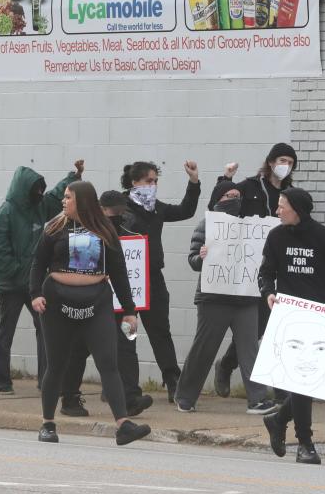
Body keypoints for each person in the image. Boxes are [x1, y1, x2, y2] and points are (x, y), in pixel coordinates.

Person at [30, 181, 151, 446]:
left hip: (96, 302)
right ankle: (47, 423)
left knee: (108, 361)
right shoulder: (54, 227)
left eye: (68, 197)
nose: (64, 201)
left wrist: (129, 311)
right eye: (63, 197)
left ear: (82, 201)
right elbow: (38, 263)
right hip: (57, 303)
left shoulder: (104, 229)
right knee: (57, 364)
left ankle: (123, 425)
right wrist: (35, 294)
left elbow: (118, 271)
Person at [258, 187, 325, 465]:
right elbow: (265, 272)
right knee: (302, 382)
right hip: (288, 317)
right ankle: (305, 443)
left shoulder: (324, 236)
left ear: (298, 209)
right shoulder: (276, 236)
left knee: (312, 383)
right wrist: (268, 292)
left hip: (318, 317)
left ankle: (278, 419)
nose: (277, 211)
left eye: (282, 206)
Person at [174, 181, 275, 415]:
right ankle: (185, 396)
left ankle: (258, 399)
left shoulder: (249, 227)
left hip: (245, 298)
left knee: (249, 349)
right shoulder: (207, 224)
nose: (234, 199)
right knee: (204, 348)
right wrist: (201, 257)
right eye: (228, 195)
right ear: (218, 199)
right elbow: (192, 261)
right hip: (213, 299)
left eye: (237, 195)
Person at [0, 160, 83, 394]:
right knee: (6, 331)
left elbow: (57, 193)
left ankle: (47, 379)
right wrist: (15, 269)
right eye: (35, 189)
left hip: (34, 284)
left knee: (45, 329)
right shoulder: (7, 211)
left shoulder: (40, 205)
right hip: (11, 284)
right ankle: (0, 381)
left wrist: (75, 175)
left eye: (40, 188)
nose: (40, 192)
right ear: (24, 189)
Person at [58, 190, 154, 418]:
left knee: (125, 347)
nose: (118, 217)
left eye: (122, 213)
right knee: (79, 349)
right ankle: (69, 398)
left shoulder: (128, 234)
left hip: (117, 305)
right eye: (113, 213)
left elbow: (122, 273)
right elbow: (80, 270)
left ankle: (129, 398)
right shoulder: (83, 233)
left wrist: (130, 308)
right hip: (88, 303)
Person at [214, 143, 298, 397]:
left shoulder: (291, 193)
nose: (286, 166)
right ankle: (228, 365)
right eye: (282, 160)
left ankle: (228, 362)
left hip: (276, 265)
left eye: (291, 162)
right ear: (271, 162)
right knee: (249, 322)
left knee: (264, 323)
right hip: (248, 263)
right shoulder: (250, 186)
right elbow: (221, 202)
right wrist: (226, 178)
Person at [120, 159, 201, 402]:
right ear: (135, 182)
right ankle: (124, 384)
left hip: (152, 278)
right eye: (148, 181)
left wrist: (194, 181)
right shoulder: (121, 206)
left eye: (155, 181)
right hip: (126, 278)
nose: (153, 185)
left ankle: (172, 379)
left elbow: (185, 210)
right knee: (126, 333)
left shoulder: (156, 207)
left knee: (160, 331)